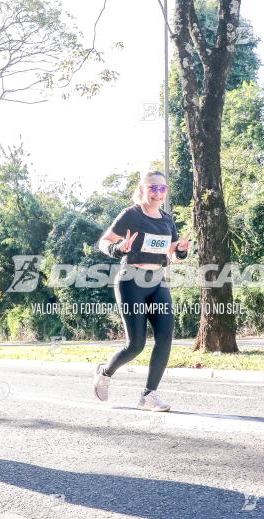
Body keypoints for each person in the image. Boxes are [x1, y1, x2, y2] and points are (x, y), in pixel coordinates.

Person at [93, 171, 191, 411]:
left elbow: (171, 253)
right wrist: (118, 249)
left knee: (165, 338)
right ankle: (105, 373)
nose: (158, 193)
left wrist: (181, 250)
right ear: (143, 190)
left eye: (162, 189)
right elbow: (103, 241)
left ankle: (149, 395)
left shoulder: (167, 220)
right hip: (131, 281)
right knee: (135, 344)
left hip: (158, 281)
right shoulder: (130, 215)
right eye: (153, 188)